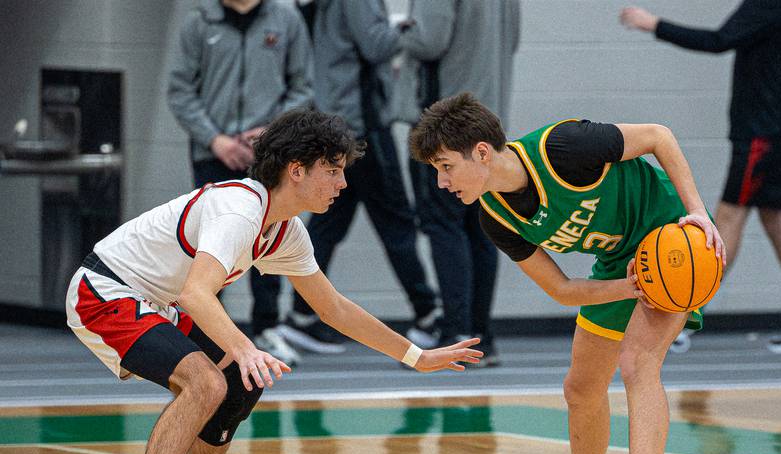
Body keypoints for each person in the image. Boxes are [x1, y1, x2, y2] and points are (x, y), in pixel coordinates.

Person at [66, 108, 482, 454]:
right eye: (333, 171)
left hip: (156, 301)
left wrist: (415, 356)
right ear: (296, 170)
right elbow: (196, 293)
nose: (342, 184)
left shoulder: (286, 230)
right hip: (105, 290)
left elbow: (334, 308)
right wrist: (243, 348)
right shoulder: (239, 207)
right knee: (207, 381)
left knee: (242, 381)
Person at [409, 93, 725, 454]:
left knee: (638, 363)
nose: (441, 181)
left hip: (671, 237)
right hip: (625, 262)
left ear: (481, 152)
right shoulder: (496, 216)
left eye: (445, 166)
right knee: (580, 387)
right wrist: (631, 285)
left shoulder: (565, 147)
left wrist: (696, 212)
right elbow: (562, 290)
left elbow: (659, 136)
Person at [621, 2, 781, 354]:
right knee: (776, 220)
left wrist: (653, 24)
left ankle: (684, 314)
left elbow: (718, 40)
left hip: (763, 132)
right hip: (771, 127)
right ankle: (687, 312)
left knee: (727, 219)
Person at [277, 0, 441, 355]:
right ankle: (428, 312)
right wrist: (407, 27)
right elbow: (377, 44)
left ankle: (302, 314)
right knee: (396, 221)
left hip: (339, 118)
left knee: (328, 222)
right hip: (361, 127)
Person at [168, 0, 314, 366]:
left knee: (266, 241)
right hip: (211, 153)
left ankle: (267, 327)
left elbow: (303, 87)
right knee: (209, 245)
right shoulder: (199, 21)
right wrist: (214, 139)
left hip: (268, 155)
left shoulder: (286, 18)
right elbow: (181, 91)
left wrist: (271, 133)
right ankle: (206, 334)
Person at [402, 0, 521, 366]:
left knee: (444, 225)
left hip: (445, 123)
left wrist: (399, 31)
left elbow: (429, 41)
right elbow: (513, 40)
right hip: (488, 122)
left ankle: (456, 332)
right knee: (481, 228)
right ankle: (480, 336)